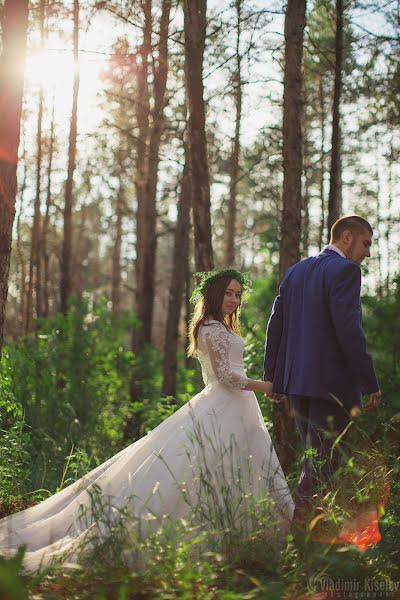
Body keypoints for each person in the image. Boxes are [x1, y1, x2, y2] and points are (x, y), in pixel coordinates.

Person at [0, 268, 293, 573]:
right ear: (215, 294)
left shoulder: (222, 327)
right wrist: (266, 386)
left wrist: (260, 389)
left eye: (237, 294)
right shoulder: (211, 328)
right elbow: (226, 377)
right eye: (228, 293)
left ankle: (246, 538)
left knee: (243, 466)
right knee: (202, 470)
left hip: (238, 405)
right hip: (223, 404)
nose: (233, 299)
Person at [263, 215, 381, 527]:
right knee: (324, 465)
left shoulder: (296, 270)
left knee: (316, 461)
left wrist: (273, 377)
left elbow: (276, 325)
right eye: (365, 243)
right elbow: (349, 330)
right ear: (346, 237)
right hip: (331, 386)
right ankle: (301, 536)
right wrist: (369, 382)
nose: (367, 252)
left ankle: (311, 531)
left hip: (297, 385)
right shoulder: (345, 270)